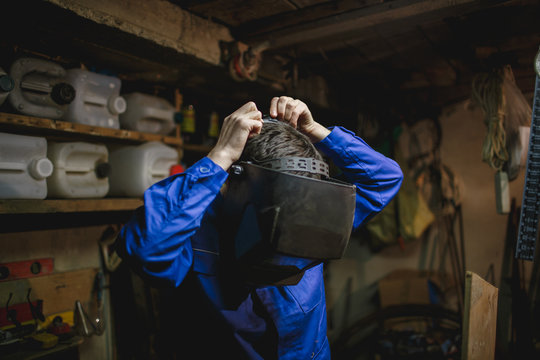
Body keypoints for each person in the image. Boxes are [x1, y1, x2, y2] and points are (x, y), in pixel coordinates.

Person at [114, 96, 403, 359]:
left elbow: (385, 178)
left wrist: (316, 130)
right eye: (278, 207)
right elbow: (145, 250)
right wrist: (221, 156)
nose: (291, 218)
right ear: (240, 187)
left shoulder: (314, 210)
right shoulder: (196, 221)